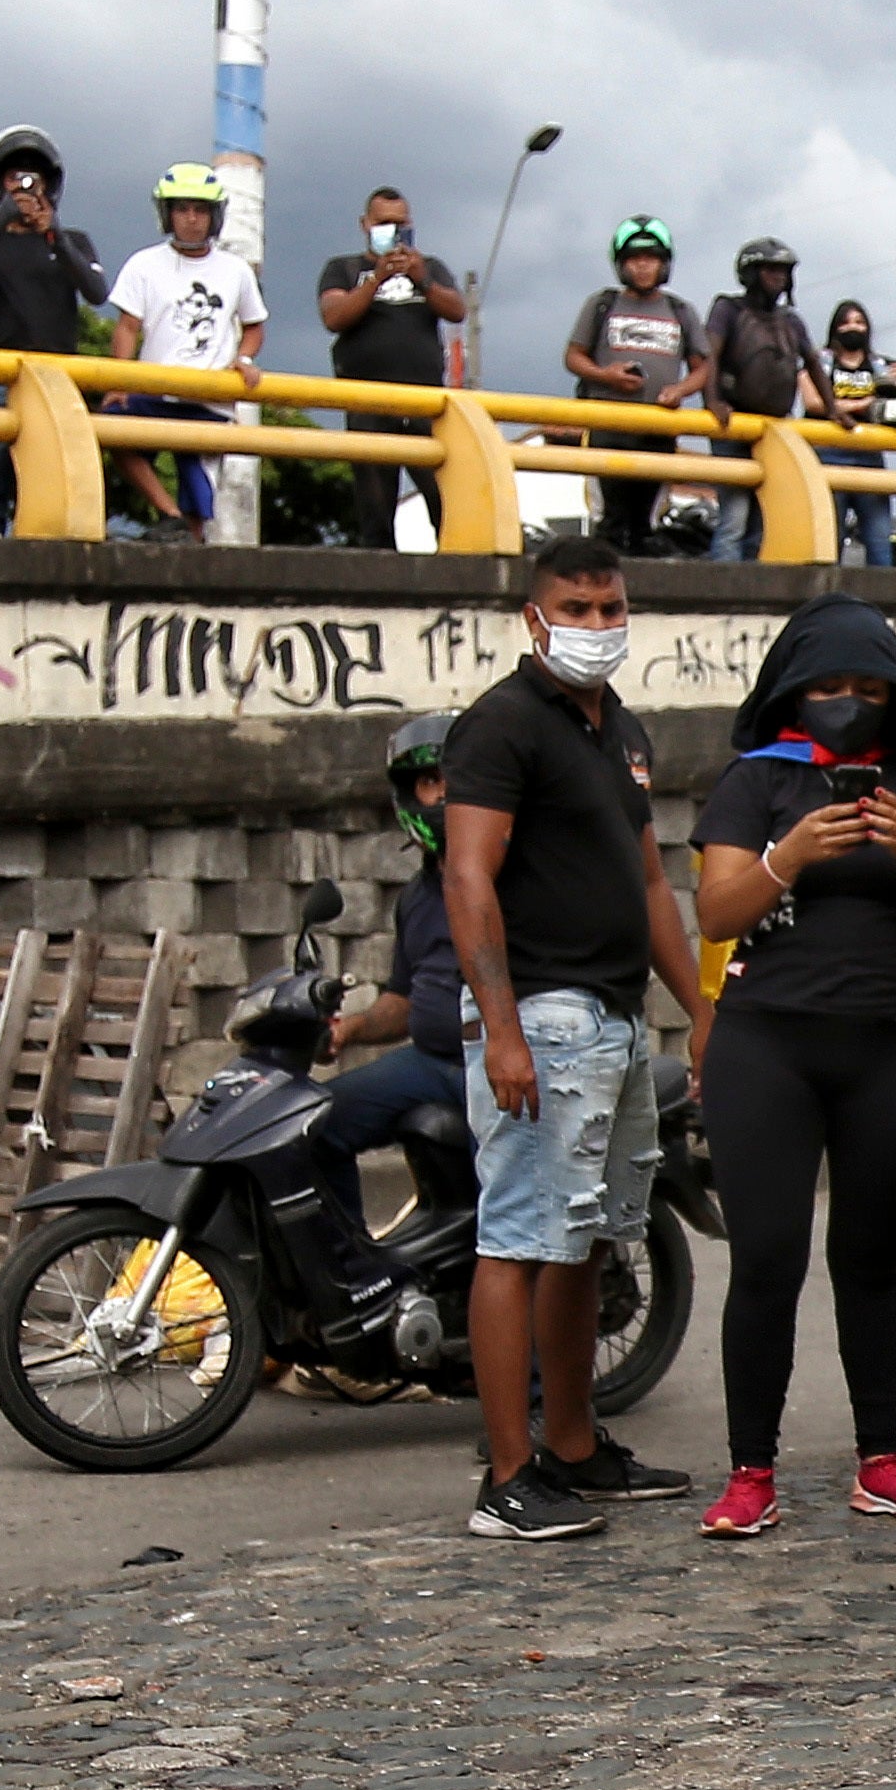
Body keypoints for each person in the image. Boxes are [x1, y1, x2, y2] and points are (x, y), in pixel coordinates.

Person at [687, 595, 896, 1535]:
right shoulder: (756, 781)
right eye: (829, 687)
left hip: (895, 1049)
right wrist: (787, 857)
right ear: (793, 694)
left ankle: (881, 1460)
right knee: (767, 1260)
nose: (848, 703)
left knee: (869, 1261)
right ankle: (750, 1473)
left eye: (868, 687)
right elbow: (715, 912)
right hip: (766, 1045)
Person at [437, 538, 711, 1541]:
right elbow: (467, 877)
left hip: (617, 1016)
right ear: (534, 618)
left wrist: (699, 1006)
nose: (598, 626)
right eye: (578, 609)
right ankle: (508, 1477)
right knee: (519, 1235)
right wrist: (501, 1031)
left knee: (590, 1236)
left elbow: (648, 883)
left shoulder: (621, 729)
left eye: (610, 608)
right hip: (544, 1019)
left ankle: (576, 1445)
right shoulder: (500, 726)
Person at [309, 714, 469, 1222]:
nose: (442, 795)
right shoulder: (417, 897)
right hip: (428, 1065)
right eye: (429, 782)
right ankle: (355, 1275)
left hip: (497, 1068)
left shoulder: (524, 881)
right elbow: (405, 1000)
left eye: (453, 779)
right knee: (310, 1125)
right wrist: (350, 1029)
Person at [0, 124, 111, 536]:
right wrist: (3, 217)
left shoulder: (72, 240)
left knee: (53, 487)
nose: (24, 184)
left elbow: (96, 292)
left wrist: (52, 234)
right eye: (14, 175)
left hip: (54, 380)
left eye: (34, 176)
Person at [105, 165, 265, 539]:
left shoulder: (235, 270)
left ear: (214, 216)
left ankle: (190, 541)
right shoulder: (143, 264)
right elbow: (127, 327)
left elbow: (254, 324)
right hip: (155, 388)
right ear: (168, 214)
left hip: (209, 399)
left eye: (201, 210)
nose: (192, 219)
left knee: (199, 489)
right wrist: (118, 379)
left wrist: (243, 359)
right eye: (182, 209)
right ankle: (168, 513)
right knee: (113, 426)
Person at [312, 187, 463, 552]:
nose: (392, 231)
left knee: (446, 500)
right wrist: (375, 279)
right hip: (369, 402)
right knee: (376, 507)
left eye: (399, 224)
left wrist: (422, 279)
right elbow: (334, 316)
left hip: (426, 403)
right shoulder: (343, 268)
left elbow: (457, 310)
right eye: (383, 224)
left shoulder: (431, 266)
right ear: (365, 225)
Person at [563, 222, 705, 557]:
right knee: (610, 522)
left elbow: (703, 367)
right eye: (634, 259)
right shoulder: (602, 304)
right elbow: (573, 356)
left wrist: (679, 390)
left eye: (651, 258)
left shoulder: (680, 311)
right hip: (609, 426)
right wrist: (606, 374)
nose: (642, 266)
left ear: (664, 264)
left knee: (646, 524)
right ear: (621, 264)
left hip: (658, 429)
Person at [697, 241, 821, 562]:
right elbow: (710, 355)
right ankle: (725, 592)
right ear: (751, 273)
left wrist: (833, 409)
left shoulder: (791, 321)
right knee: (734, 519)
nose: (778, 277)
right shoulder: (728, 310)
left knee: (762, 522)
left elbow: (813, 364)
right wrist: (712, 400)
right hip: (734, 426)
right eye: (770, 270)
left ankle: (755, 591)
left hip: (773, 430)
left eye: (783, 271)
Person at [811, 302, 896, 562]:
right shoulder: (820, 361)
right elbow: (812, 401)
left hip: (869, 456)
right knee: (829, 539)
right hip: (828, 455)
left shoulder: (879, 366)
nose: (853, 327)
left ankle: (880, 599)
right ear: (835, 327)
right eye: (846, 322)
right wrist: (867, 404)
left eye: (859, 322)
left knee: (879, 538)